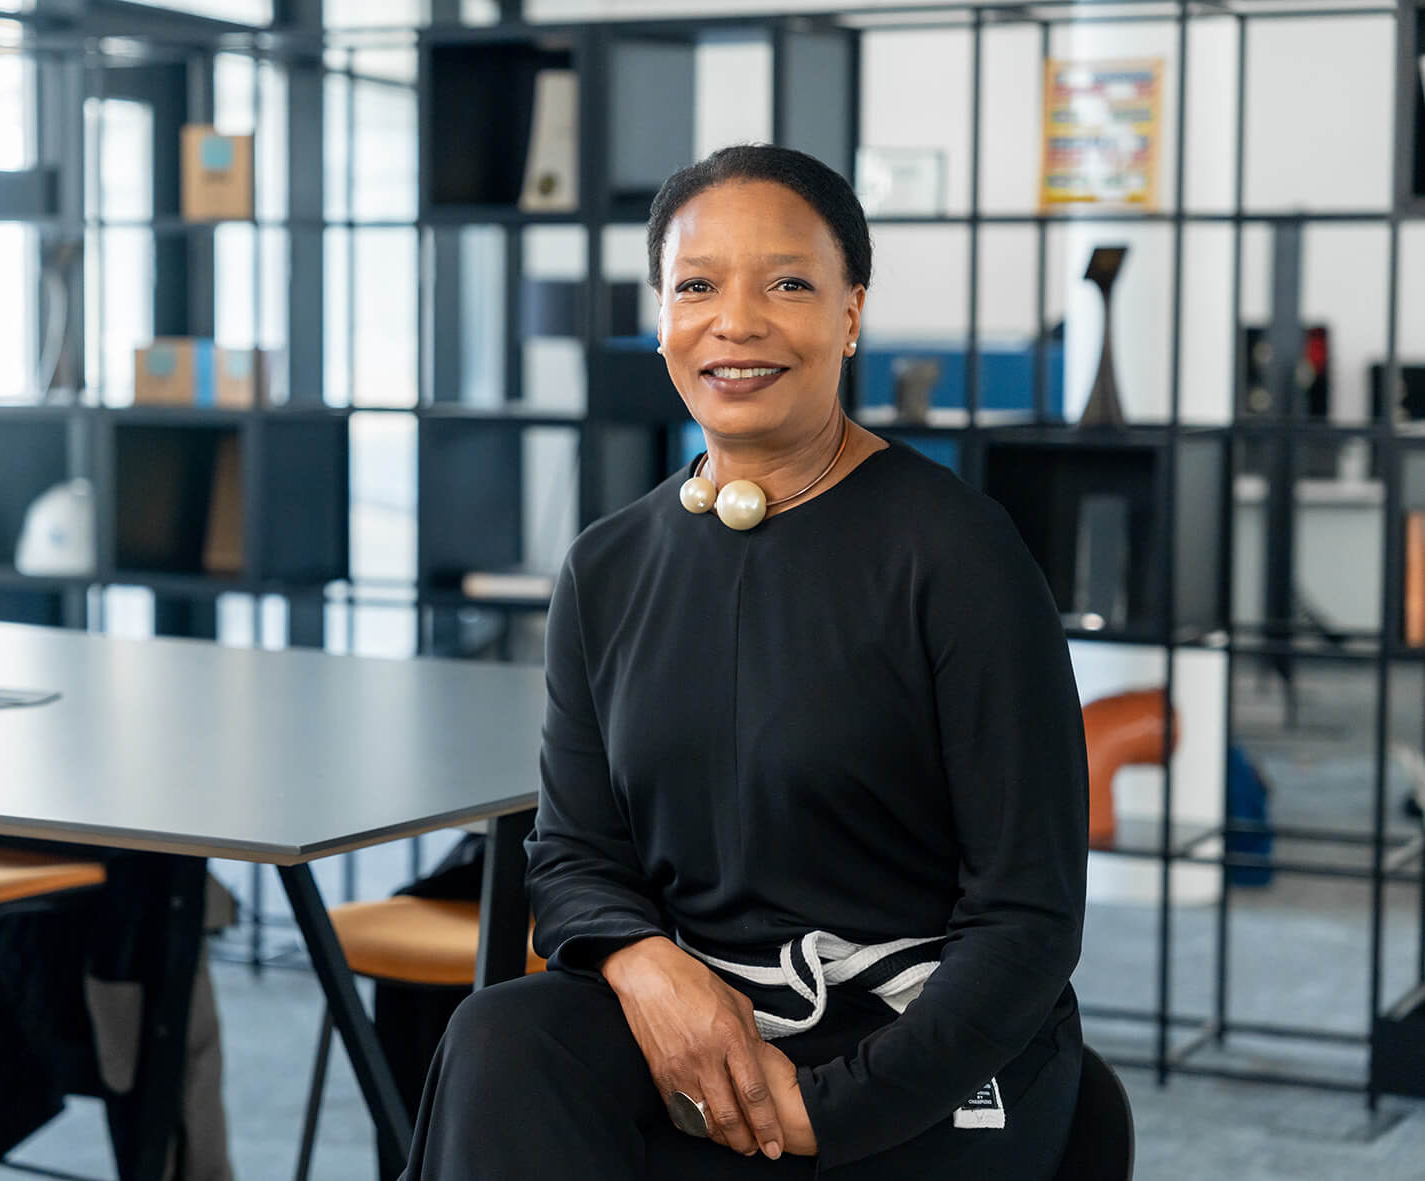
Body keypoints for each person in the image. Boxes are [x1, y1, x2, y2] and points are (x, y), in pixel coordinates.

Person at [399, 144, 1088, 1180]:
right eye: (696, 285)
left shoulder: (958, 552)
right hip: (701, 1019)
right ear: (662, 315)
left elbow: (1026, 915)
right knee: (502, 1040)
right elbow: (575, 854)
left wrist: (833, 1109)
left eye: (787, 283)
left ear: (849, 313)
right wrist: (646, 970)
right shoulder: (605, 565)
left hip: (923, 1032)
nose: (736, 321)